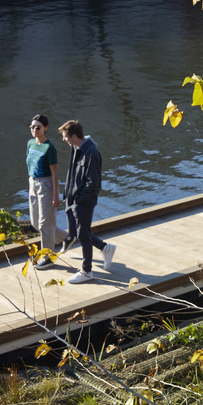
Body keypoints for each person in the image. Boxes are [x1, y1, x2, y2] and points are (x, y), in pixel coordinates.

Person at [58, 120, 116, 285]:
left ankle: (86, 271)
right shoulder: (76, 148)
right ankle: (105, 248)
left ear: (74, 136)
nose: (64, 140)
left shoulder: (91, 153)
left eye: (65, 137)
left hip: (83, 201)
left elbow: (93, 183)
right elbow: (72, 174)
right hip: (72, 198)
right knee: (78, 232)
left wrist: (78, 199)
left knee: (83, 234)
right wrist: (68, 196)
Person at [25, 114, 61, 269]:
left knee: (44, 224)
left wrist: (55, 195)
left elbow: (54, 174)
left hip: (46, 184)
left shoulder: (49, 148)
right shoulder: (30, 143)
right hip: (32, 182)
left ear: (45, 128)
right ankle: (67, 237)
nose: (34, 130)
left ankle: (48, 257)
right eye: (32, 127)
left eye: (38, 127)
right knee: (35, 222)